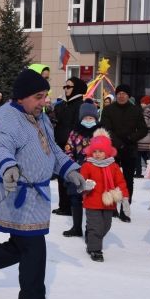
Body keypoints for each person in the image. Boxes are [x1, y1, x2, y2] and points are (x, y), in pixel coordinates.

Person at [0, 69, 89, 299]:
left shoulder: (39, 117)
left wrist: (71, 170)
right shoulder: (6, 118)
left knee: (21, 247)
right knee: (34, 248)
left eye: (45, 96)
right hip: (15, 192)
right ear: (21, 97)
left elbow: (52, 150)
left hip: (36, 194)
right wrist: (8, 166)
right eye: (38, 96)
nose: (44, 101)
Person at [78, 129, 128, 262]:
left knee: (106, 226)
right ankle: (95, 249)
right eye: (94, 151)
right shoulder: (88, 165)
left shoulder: (113, 166)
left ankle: (91, 236)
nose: (97, 154)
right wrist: (86, 185)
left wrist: (125, 197)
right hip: (92, 202)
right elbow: (81, 180)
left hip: (108, 202)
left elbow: (121, 182)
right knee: (96, 226)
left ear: (107, 152)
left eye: (100, 151)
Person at [99, 84, 145, 219]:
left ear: (128, 96)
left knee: (127, 180)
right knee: (110, 179)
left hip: (130, 149)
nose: (121, 95)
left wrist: (130, 139)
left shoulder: (136, 110)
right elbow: (105, 128)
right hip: (112, 149)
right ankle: (111, 207)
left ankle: (125, 210)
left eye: (124, 93)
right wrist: (118, 143)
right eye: (119, 93)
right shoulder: (108, 110)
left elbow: (143, 129)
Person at [61, 100, 100, 237]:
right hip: (78, 169)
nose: (88, 120)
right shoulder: (75, 133)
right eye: (85, 118)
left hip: (96, 171)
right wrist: (72, 166)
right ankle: (76, 227)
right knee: (75, 197)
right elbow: (68, 149)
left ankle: (92, 230)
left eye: (91, 118)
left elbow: (106, 150)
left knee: (92, 200)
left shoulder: (100, 133)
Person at [51, 77, 88, 215]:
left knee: (72, 177)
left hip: (74, 148)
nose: (66, 89)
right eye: (64, 87)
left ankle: (73, 207)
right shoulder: (61, 105)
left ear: (76, 89)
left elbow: (78, 127)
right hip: (60, 145)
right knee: (61, 176)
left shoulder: (81, 105)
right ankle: (64, 206)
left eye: (69, 87)